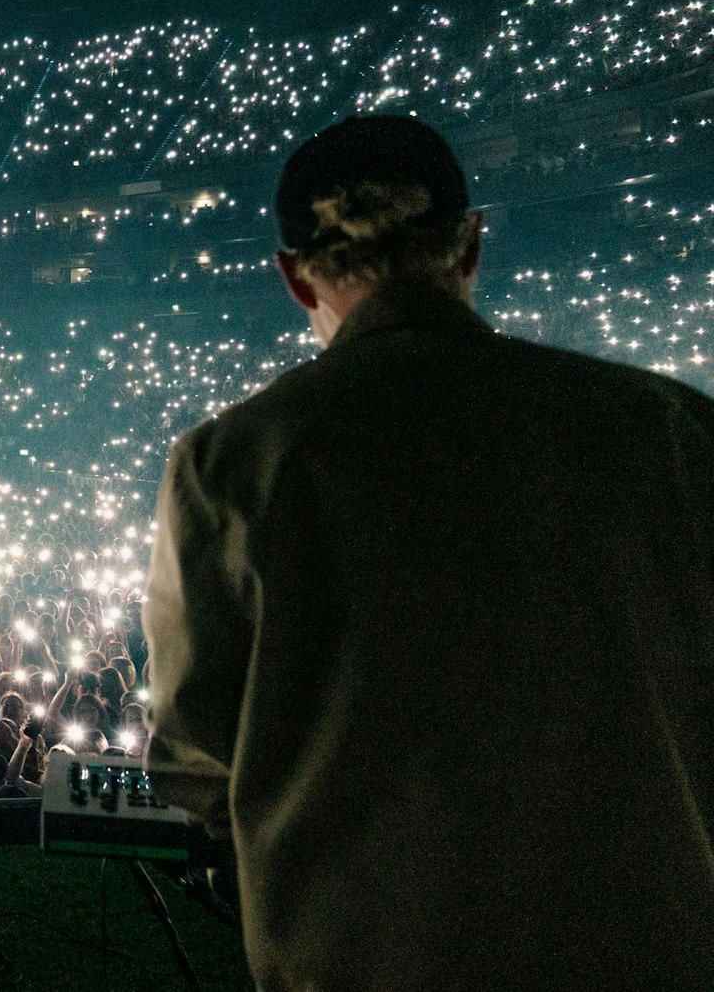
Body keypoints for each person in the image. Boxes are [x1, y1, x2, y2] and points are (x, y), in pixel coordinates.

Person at [141, 114, 714, 992]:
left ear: (294, 276)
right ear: (470, 245)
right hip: (651, 944)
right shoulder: (670, 429)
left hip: (365, 952)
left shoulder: (232, 464)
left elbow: (191, 754)